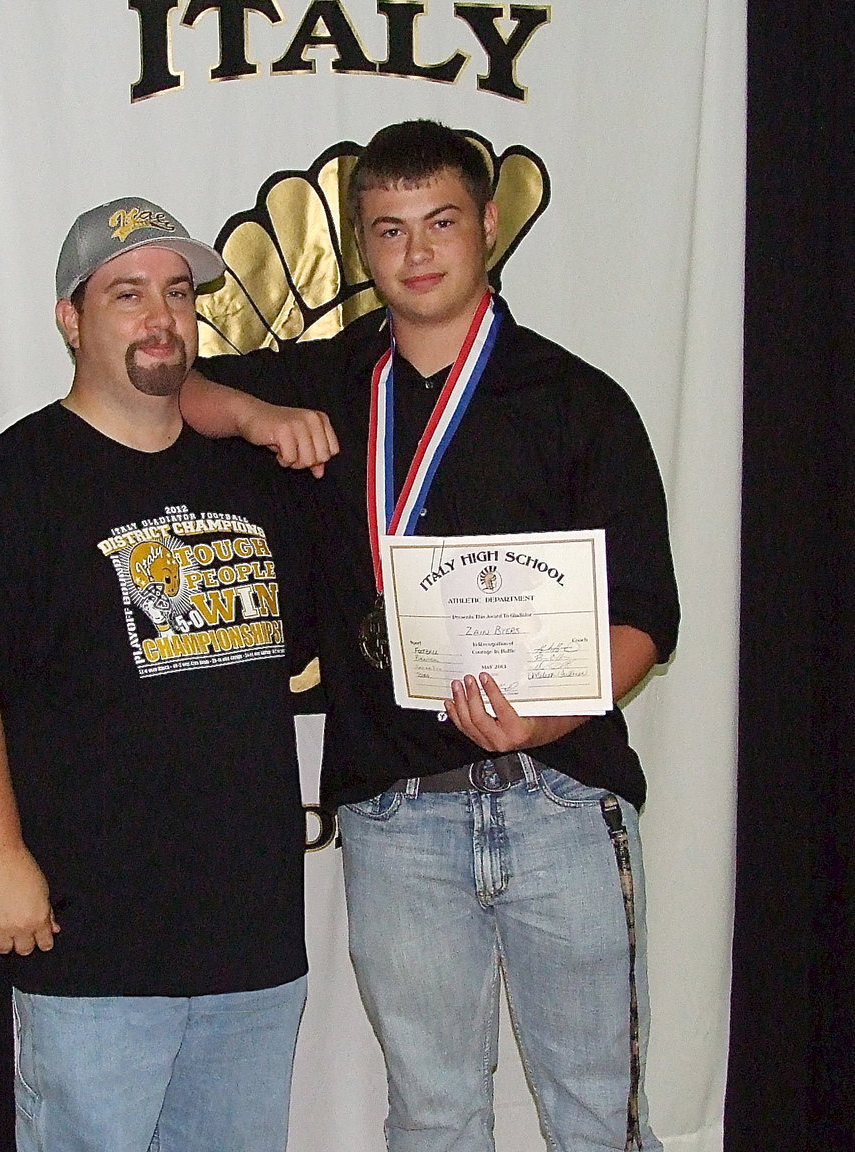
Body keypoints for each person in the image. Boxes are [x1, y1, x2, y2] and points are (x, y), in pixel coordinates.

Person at [180, 120, 679, 1152]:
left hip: (562, 797)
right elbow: (176, 390)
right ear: (361, 249)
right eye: (389, 229)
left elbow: (643, 614)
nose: (415, 253)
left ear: (487, 227)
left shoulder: (577, 401)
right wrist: (253, 415)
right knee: (434, 1113)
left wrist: (549, 718)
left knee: (594, 1113)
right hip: (396, 811)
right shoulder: (324, 382)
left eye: (440, 222)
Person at [0, 197, 313, 1152]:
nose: (159, 317)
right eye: (126, 294)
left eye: (177, 292)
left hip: (252, 948)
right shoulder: (9, 481)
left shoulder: (249, 478)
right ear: (70, 319)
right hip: (93, 949)